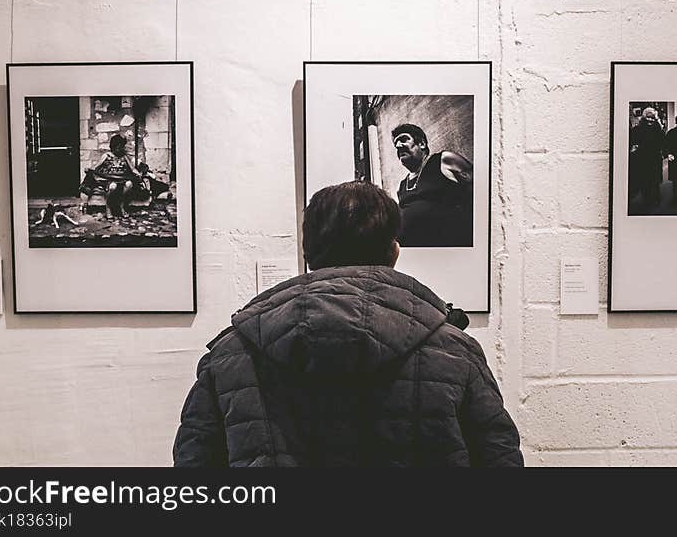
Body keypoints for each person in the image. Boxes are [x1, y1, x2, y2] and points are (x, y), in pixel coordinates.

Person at [173, 180, 522, 467]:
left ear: (307, 254)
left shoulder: (232, 353)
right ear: (394, 251)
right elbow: (499, 462)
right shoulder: (454, 351)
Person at [391, 124, 473, 247]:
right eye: (396, 144)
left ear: (422, 144)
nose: (398, 146)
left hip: (450, 248)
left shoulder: (444, 160)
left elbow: (481, 193)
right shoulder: (402, 185)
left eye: (403, 139)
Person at [79, 134, 141, 218]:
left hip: (122, 178)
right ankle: (108, 208)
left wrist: (136, 172)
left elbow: (132, 168)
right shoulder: (106, 156)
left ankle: (121, 206)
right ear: (113, 146)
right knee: (113, 186)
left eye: (121, 147)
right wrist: (89, 169)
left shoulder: (124, 156)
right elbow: (96, 167)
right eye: (118, 147)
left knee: (129, 184)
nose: (120, 149)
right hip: (109, 179)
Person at [629, 107, 665, 207]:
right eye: (648, 117)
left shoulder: (658, 129)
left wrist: (662, 153)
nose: (650, 120)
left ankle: (656, 199)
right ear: (644, 117)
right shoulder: (638, 129)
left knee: (655, 181)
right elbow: (633, 141)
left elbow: (663, 141)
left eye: (652, 118)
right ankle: (647, 199)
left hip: (655, 158)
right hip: (642, 158)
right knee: (645, 180)